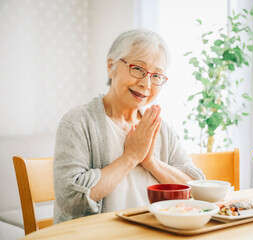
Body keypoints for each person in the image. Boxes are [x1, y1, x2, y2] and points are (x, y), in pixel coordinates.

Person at [53, 29, 204, 224]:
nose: (146, 84)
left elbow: (196, 187)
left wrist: (151, 162)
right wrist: (130, 157)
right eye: (138, 69)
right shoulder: (78, 121)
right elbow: (71, 199)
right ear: (111, 66)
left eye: (156, 76)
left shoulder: (160, 128)